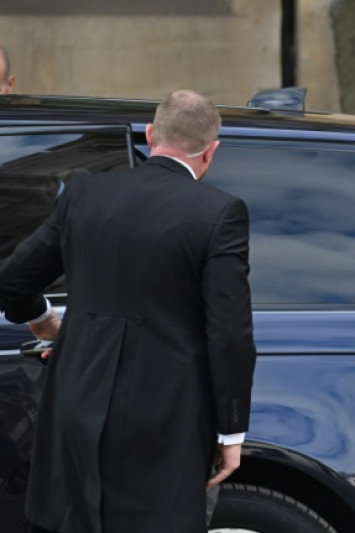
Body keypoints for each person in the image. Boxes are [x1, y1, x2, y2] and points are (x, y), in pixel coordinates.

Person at [0, 89, 257, 532]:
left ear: (150, 134)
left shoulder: (83, 193)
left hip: (74, 402)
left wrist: (45, 321)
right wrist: (230, 432)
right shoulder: (219, 213)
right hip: (164, 417)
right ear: (211, 151)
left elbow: (12, 280)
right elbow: (229, 333)